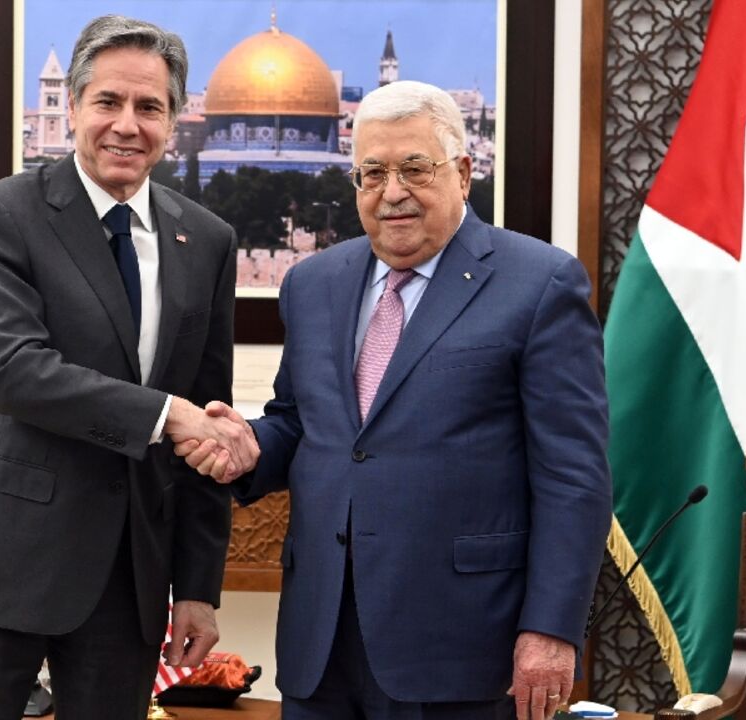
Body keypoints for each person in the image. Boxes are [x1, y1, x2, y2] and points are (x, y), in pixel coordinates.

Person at [178, 81, 612, 720]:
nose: (393, 192)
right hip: (321, 639)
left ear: (463, 173)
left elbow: (574, 476)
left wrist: (550, 630)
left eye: (415, 168)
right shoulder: (313, 283)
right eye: (372, 173)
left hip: (463, 645)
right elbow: (302, 422)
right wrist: (246, 449)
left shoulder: (540, 283)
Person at [0, 15, 257, 720]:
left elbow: (208, 417)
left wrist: (196, 586)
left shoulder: (208, 240)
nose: (126, 125)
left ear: (175, 119)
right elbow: (14, 371)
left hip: (128, 576)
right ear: (71, 108)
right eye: (108, 102)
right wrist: (168, 415)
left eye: (149, 107)